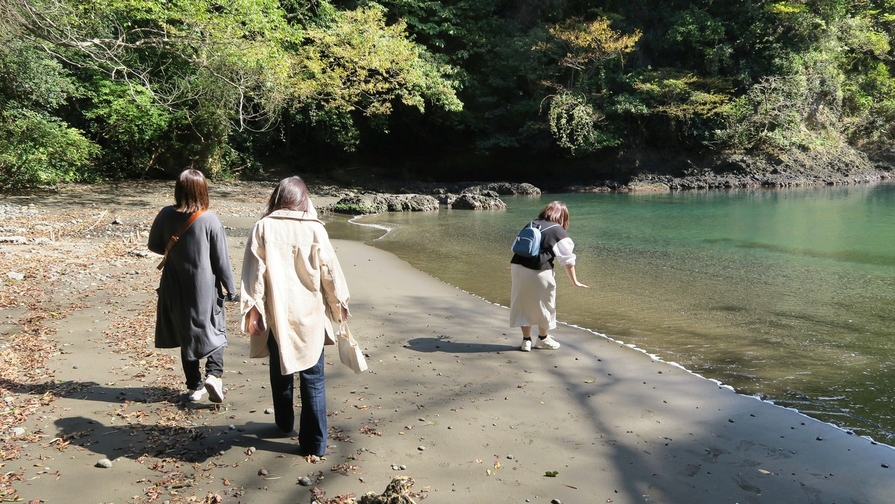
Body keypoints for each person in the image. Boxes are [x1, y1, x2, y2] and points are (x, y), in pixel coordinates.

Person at [240, 176, 350, 457]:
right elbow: (330, 274)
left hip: (277, 314)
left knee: (280, 367)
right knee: (313, 377)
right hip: (310, 314)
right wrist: (339, 306)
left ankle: (284, 422)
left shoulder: (263, 227)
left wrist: (253, 310)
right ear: (304, 199)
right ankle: (315, 443)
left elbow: (255, 275)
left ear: (278, 198)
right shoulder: (315, 230)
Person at [148, 168, 236, 403]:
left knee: (186, 332)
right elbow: (221, 261)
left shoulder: (166, 214)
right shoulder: (209, 220)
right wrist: (232, 289)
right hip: (204, 287)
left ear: (179, 189)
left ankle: (194, 386)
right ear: (203, 190)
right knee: (215, 330)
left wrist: (177, 252)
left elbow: (154, 245)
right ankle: (214, 375)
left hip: (173, 282)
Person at [510, 200, 588, 352]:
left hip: (517, 267)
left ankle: (526, 341)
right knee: (546, 305)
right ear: (563, 216)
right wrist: (575, 281)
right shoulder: (558, 231)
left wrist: (516, 266)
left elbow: (516, 246)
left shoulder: (532, 223)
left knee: (523, 303)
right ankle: (543, 339)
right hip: (539, 271)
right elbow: (567, 260)